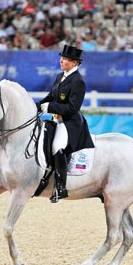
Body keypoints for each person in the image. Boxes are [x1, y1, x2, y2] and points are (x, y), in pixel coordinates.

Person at [36, 45, 94, 203]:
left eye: (66, 59)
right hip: (56, 119)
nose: (61, 60)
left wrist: (50, 107)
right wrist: (39, 104)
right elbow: (52, 95)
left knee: (57, 147)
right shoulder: (60, 76)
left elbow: (73, 108)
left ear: (75, 63)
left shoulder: (78, 81)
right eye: (61, 58)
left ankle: (61, 187)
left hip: (70, 122)